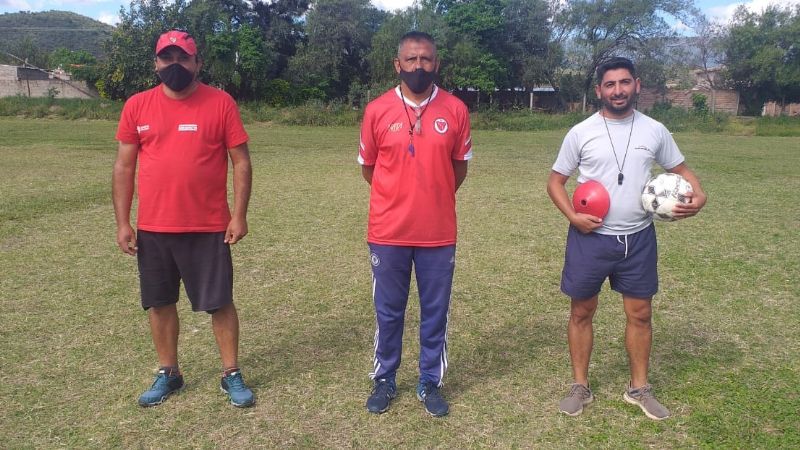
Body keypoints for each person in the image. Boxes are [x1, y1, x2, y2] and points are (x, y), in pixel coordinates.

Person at [546, 57, 707, 420]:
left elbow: (680, 169)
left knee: (641, 314)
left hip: (638, 238)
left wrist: (700, 194)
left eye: (624, 83)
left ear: (637, 84)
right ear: (599, 89)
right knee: (582, 311)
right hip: (591, 239)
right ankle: (579, 386)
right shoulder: (581, 132)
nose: (617, 90)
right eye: (609, 84)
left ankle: (639, 388)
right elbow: (555, 181)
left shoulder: (654, 130)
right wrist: (573, 216)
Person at [112, 30, 255, 408]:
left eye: (183, 58)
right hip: (154, 228)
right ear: (156, 63)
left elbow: (240, 162)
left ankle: (231, 373)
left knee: (219, 302)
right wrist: (123, 222)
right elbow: (124, 167)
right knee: (159, 303)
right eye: (167, 59)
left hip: (208, 226)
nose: (175, 66)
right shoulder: (137, 106)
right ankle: (169, 372)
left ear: (197, 63)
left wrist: (238, 215)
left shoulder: (220, 102)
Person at [357, 31, 473, 417]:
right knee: (388, 311)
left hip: (438, 234)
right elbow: (370, 169)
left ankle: (429, 381)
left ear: (436, 64)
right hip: (388, 232)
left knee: (434, 311)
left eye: (426, 59)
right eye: (411, 59)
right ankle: (385, 378)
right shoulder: (376, 110)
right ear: (398, 64)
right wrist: (399, 196)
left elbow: (459, 168)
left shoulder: (455, 109)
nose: (419, 66)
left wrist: (433, 195)